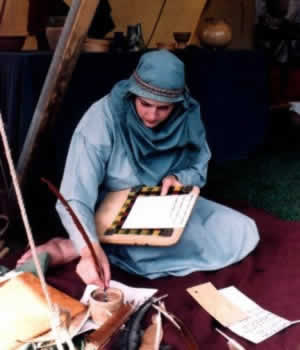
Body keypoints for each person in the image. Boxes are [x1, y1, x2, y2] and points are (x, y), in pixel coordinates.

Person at [17, 50, 259, 289]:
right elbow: (75, 195)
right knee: (148, 248)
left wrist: (178, 177)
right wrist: (90, 252)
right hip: (111, 212)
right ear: (133, 93)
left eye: (163, 108)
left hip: (161, 206)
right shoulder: (102, 119)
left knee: (239, 230)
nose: (152, 116)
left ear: (177, 102)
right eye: (145, 103)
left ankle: (74, 246)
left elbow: (198, 167)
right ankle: (83, 244)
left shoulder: (186, 117)